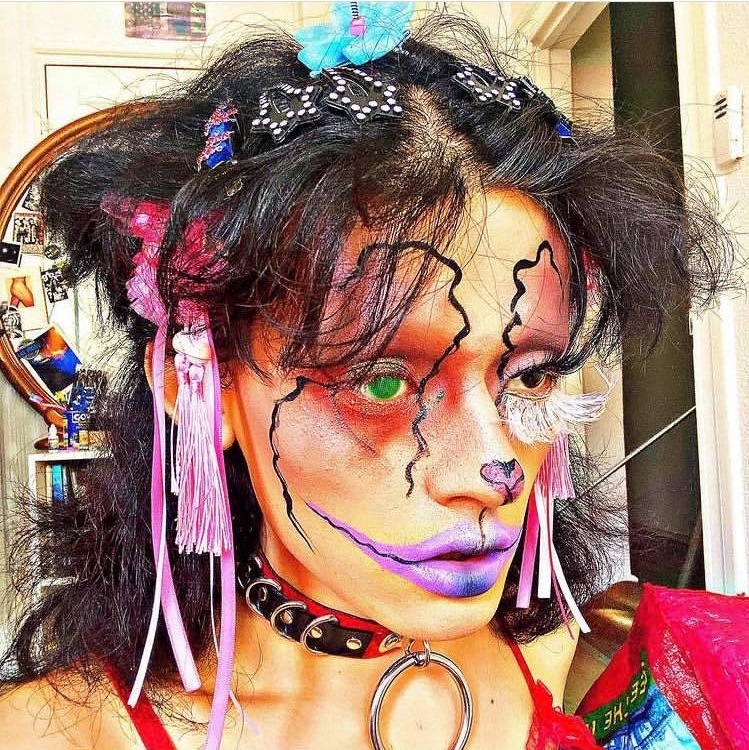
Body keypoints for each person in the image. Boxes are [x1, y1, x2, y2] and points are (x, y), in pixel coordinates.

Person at [0, 5, 731, 750]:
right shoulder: (59, 734)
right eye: (381, 382)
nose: (494, 474)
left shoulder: (621, 676)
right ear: (202, 384)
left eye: (532, 376)